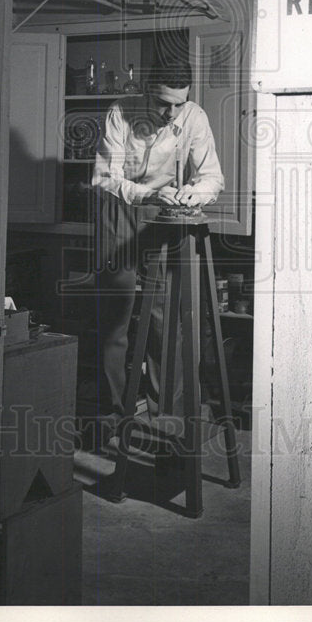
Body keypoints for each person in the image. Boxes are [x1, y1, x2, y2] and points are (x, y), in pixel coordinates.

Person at [91, 58, 224, 428]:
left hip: (165, 216)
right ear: (146, 91)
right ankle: (112, 415)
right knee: (114, 318)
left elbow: (213, 177)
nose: (171, 112)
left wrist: (194, 194)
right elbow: (104, 177)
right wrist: (149, 194)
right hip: (120, 209)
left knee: (166, 323)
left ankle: (165, 417)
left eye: (178, 103)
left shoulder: (193, 116)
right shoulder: (120, 111)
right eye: (163, 103)